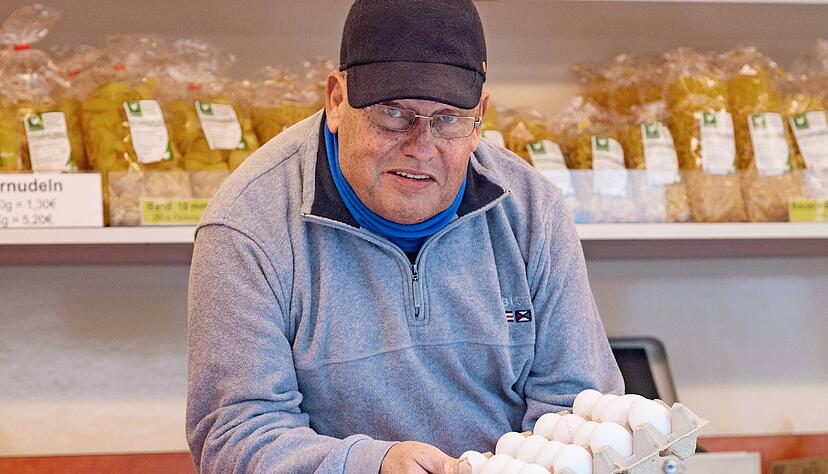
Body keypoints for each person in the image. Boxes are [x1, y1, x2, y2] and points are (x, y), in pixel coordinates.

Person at [186, 0, 623, 472]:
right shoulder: (249, 225)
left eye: (449, 119)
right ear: (336, 100)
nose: (421, 147)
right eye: (394, 113)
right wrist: (371, 465)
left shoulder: (534, 212)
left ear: (481, 116)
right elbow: (236, 432)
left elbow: (577, 406)